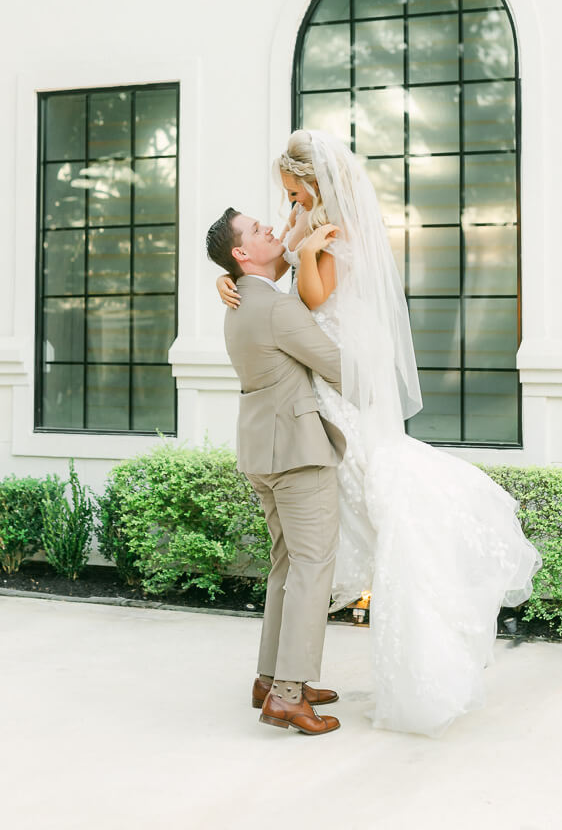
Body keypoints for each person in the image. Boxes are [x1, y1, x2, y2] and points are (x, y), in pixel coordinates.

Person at [217, 130, 542, 737]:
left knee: (321, 547)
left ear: (316, 184)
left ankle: (281, 681)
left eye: (293, 193)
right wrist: (246, 276)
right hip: (313, 402)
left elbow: (309, 296)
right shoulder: (302, 231)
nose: (287, 209)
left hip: (329, 389)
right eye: (284, 198)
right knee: (310, 554)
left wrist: (303, 255)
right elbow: (274, 277)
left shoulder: (338, 235)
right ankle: (281, 686)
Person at [205, 207, 347, 737]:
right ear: (241, 254)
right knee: (312, 569)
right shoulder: (277, 309)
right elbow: (340, 369)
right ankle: (289, 696)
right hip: (297, 453)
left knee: (286, 567)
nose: (271, 228)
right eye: (258, 230)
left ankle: (270, 680)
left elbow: (283, 257)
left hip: (264, 453)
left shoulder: (240, 300)